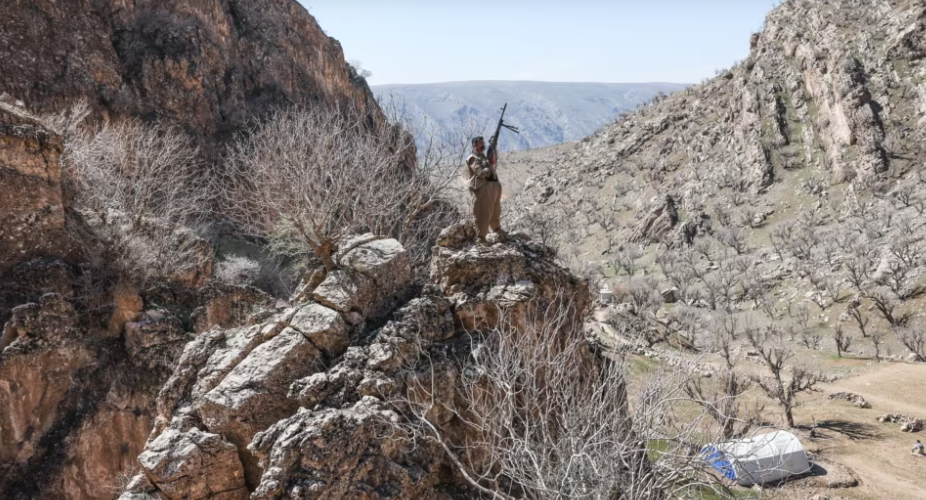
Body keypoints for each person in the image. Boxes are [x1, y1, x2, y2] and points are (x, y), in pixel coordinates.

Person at [465, 136, 506, 243]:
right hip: (482, 189)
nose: (483, 145)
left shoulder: (484, 157)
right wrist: (487, 168)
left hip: (493, 187)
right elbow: (480, 173)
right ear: (474, 145)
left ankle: (496, 228)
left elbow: (492, 165)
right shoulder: (472, 158)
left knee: (495, 209)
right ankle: (481, 237)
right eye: (480, 143)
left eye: (483, 143)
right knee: (483, 213)